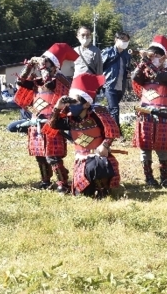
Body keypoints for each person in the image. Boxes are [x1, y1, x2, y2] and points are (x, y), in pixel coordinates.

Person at [13, 43, 79, 192]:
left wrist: (43, 66)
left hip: (53, 121)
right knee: (40, 156)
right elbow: (20, 83)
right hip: (37, 121)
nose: (43, 65)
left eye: (47, 62)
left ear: (54, 65)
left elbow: (49, 85)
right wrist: (29, 66)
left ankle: (63, 183)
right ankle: (45, 180)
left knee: (53, 156)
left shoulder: (60, 79)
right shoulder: (37, 80)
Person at [47, 73, 121, 198]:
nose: (70, 104)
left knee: (95, 167)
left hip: (99, 158)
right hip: (81, 159)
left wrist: (105, 145)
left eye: (74, 101)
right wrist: (57, 107)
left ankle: (103, 189)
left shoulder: (98, 115)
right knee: (81, 193)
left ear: (86, 104)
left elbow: (112, 131)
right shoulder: (70, 119)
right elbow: (52, 125)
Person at [131, 35, 167, 187]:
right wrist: (142, 62)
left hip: (162, 112)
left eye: (156, 55)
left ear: (164, 56)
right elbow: (135, 77)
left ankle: (165, 178)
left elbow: (162, 78)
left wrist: (147, 61)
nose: (152, 58)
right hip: (145, 110)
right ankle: (149, 178)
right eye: (150, 54)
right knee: (145, 145)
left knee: (162, 146)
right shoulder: (145, 70)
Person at [101, 31, 132, 127]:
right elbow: (99, 67)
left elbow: (128, 68)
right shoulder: (107, 52)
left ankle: (106, 128)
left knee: (111, 109)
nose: (124, 42)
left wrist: (129, 72)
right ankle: (117, 133)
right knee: (115, 109)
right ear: (116, 40)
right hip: (109, 85)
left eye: (126, 40)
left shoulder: (127, 55)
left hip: (121, 85)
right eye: (122, 39)